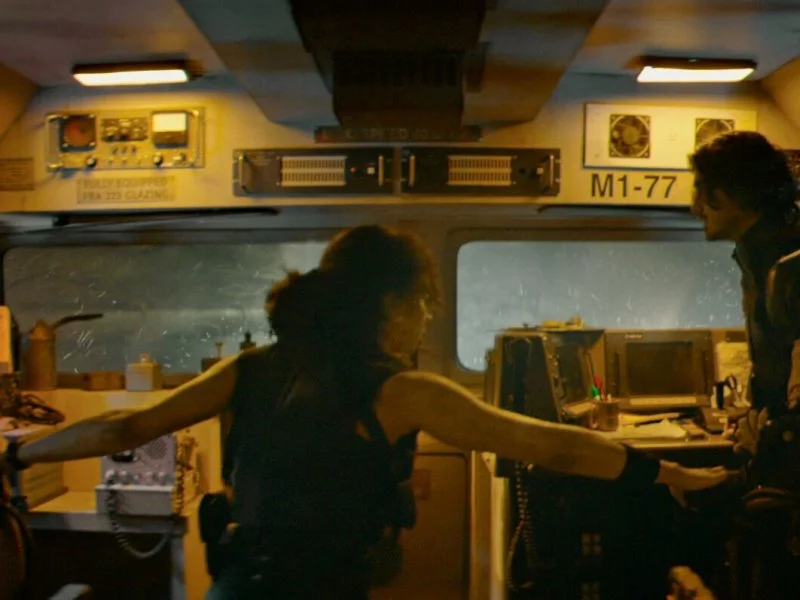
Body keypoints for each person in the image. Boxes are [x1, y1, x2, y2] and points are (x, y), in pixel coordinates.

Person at [0, 225, 727, 599]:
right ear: (390, 304)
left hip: (239, 584)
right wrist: (671, 474)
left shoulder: (252, 367)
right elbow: (555, 447)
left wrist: (17, 453)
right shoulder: (404, 391)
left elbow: (125, 428)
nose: (428, 317)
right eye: (425, 302)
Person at [689, 131, 800, 599]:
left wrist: (773, 433)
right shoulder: (762, 258)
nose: (695, 206)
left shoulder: (789, 269)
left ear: (732, 193)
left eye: (702, 191)